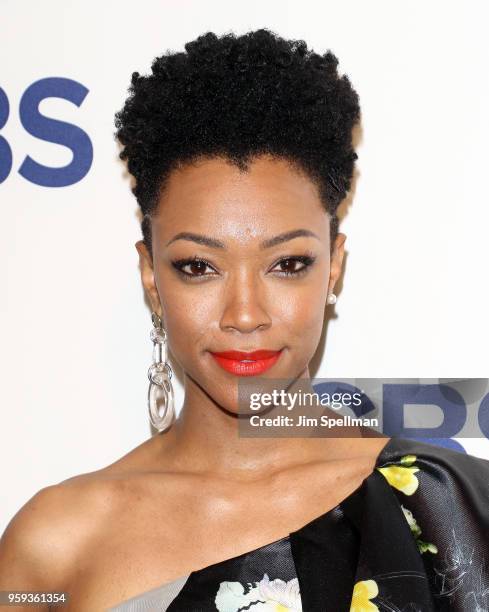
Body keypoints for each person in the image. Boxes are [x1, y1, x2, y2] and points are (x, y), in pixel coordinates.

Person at [1, 28, 489, 612]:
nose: (245, 314)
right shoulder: (54, 548)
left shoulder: (450, 506)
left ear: (333, 269)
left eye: (287, 263)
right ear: (152, 275)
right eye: (198, 266)